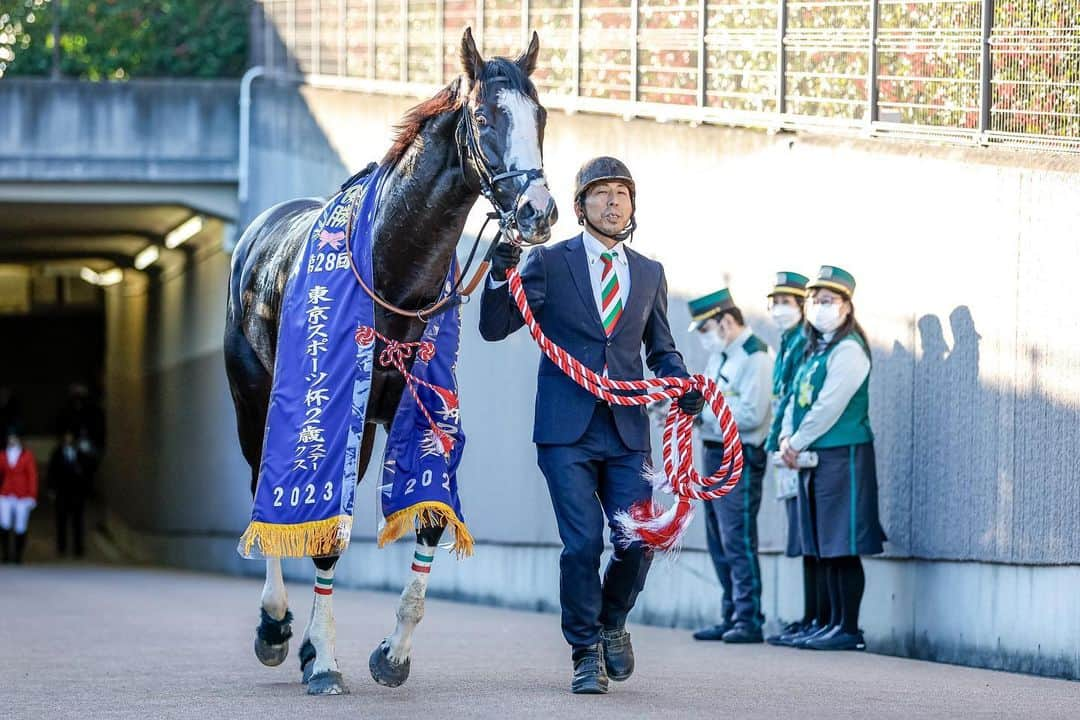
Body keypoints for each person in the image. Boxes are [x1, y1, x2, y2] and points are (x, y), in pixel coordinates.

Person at [479, 157, 705, 694]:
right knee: (582, 543)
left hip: (627, 431)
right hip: (566, 431)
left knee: (638, 540)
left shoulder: (649, 272)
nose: (612, 202)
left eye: (621, 194)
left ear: (632, 205)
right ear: (580, 208)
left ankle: (612, 622)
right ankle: (584, 649)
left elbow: (661, 349)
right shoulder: (550, 263)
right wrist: (499, 272)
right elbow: (494, 326)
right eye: (600, 193)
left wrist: (683, 386)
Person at [778, 266, 886, 651]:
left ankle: (847, 628)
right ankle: (828, 622)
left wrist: (797, 441)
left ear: (846, 306)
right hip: (815, 455)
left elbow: (829, 406)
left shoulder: (850, 349)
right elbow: (797, 400)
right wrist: (791, 439)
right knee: (823, 543)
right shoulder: (815, 349)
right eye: (816, 300)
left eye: (829, 301)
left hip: (844, 453)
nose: (820, 308)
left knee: (843, 541)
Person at [686, 289, 773, 643]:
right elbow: (711, 402)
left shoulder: (757, 357)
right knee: (717, 538)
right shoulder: (722, 357)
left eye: (706, 328)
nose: (705, 337)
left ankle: (748, 617)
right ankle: (731, 612)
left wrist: (704, 416)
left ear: (725, 321)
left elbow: (752, 415)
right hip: (712, 451)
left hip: (739, 453)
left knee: (737, 537)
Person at [758, 272, 822, 647]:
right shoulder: (786, 341)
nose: (779, 310)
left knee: (810, 533)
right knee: (800, 533)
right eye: (775, 303)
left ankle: (816, 616)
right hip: (784, 444)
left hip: (796, 445)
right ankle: (809, 615)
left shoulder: (804, 341)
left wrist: (787, 440)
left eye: (787, 302)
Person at [49, 430, 91, 557]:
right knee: (61, 521)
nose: (68, 439)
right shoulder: (57, 453)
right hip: (62, 492)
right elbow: (52, 472)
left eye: (70, 437)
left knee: (78, 522)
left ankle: (78, 548)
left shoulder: (80, 453)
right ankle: (62, 548)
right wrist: (51, 489)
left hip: (77, 493)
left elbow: (88, 472)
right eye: (66, 437)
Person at [0, 428, 39, 564]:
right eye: (10, 438)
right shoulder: (3, 454)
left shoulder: (27, 455)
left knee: (20, 525)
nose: (12, 441)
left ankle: (18, 555)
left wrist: (32, 495)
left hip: (23, 494)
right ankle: (5, 554)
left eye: (14, 438)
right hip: (6, 492)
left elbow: (32, 475)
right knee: (4, 523)